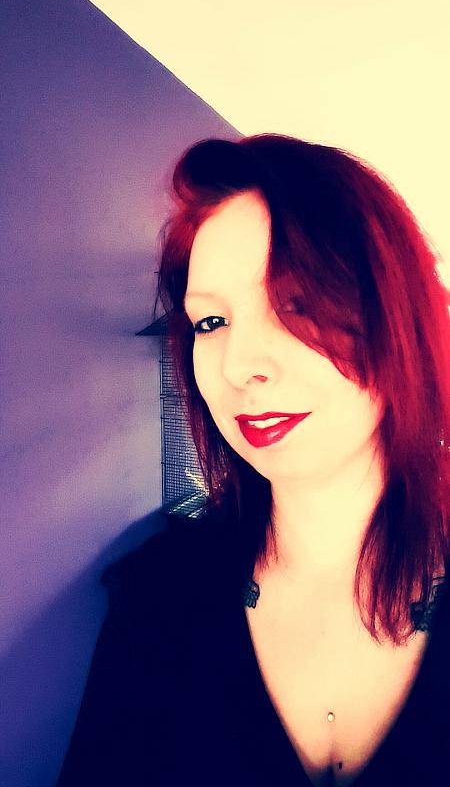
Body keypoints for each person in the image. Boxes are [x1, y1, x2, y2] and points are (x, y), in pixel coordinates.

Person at [56, 134, 450, 786]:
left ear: (397, 317)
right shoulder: (158, 596)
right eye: (211, 323)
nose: (239, 367)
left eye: (296, 303)